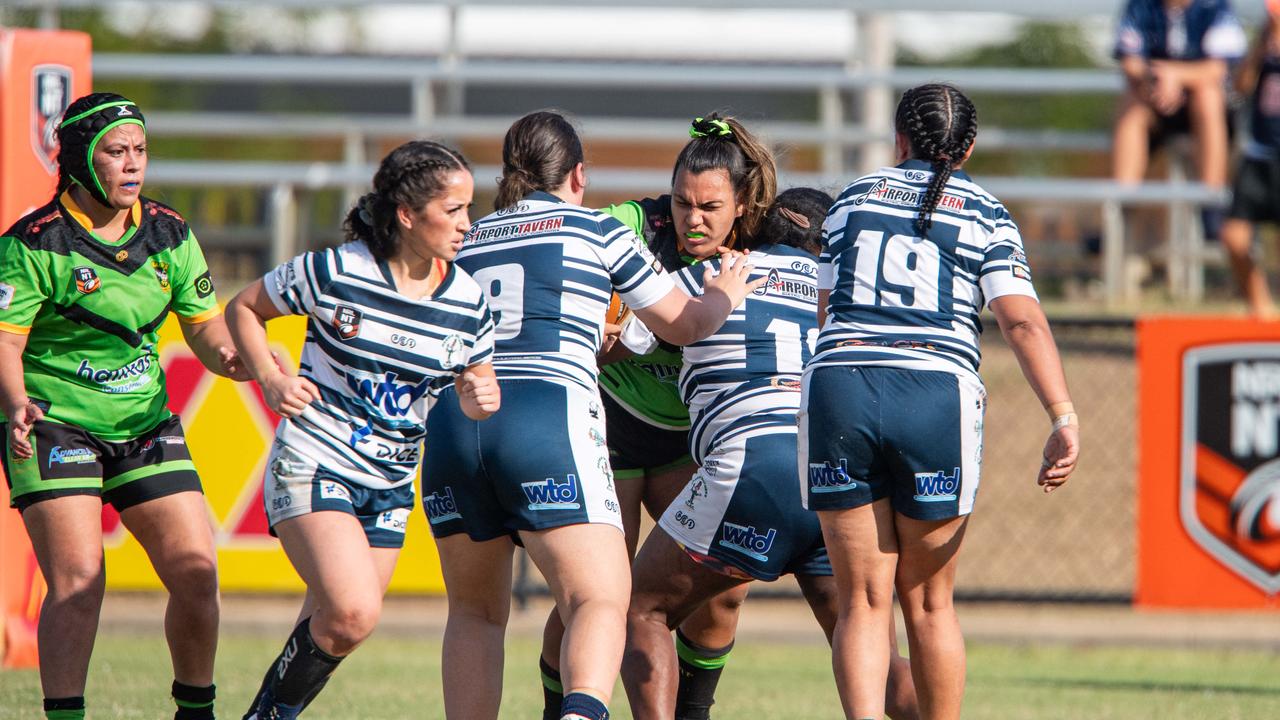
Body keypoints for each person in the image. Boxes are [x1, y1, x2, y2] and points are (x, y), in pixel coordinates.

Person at [421, 110, 762, 720]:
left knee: (474, 615)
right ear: (578, 174)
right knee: (602, 600)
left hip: (455, 425)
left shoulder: (464, 240)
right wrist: (723, 297)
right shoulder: (598, 229)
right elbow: (684, 324)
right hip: (545, 417)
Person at [802, 84, 1080, 720]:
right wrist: (1063, 416)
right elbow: (1022, 322)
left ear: (898, 140)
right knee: (927, 602)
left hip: (840, 385)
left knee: (863, 602)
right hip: (935, 393)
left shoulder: (849, 200)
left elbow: (825, 314)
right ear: (971, 148)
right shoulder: (985, 212)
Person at [619, 188, 919, 720]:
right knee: (869, 642)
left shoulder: (707, 278)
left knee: (639, 609)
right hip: (836, 473)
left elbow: (618, 342)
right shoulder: (843, 293)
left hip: (757, 461)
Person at [226, 140, 500, 720]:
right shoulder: (335, 271)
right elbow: (244, 309)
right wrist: (271, 380)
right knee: (353, 611)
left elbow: (478, 390)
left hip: (392, 483)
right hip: (315, 460)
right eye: (453, 211)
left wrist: (483, 399)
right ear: (407, 214)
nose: (466, 225)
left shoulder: (470, 301)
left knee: (338, 626)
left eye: (469, 209)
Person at [0, 92, 248, 720]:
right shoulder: (34, 243)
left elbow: (204, 325)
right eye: (116, 152)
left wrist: (234, 358)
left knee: (196, 573)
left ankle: (196, 711)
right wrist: (15, 402)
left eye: (140, 150)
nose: (133, 164)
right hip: (54, 424)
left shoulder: (168, 232)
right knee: (80, 582)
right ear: (83, 159)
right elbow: (5, 341)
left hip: (144, 425)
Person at [539, 112, 776, 720]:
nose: (692, 219)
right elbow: (565, 241)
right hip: (611, 427)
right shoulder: (630, 227)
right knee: (592, 596)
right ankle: (555, 708)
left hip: (685, 443)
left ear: (743, 205)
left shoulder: (763, 251)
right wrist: (593, 326)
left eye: (709, 207)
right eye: (680, 202)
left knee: (722, 596)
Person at [1111, 0, 1247, 242]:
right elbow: (1130, 63)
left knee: (1208, 97)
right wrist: (1159, 80)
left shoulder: (1215, 6)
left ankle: (1211, 206)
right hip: (1154, 102)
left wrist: (1175, 76)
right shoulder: (1140, 6)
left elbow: (1218, 69)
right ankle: (1120, 212)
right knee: (1132, 105)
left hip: (1203, 110)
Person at [1220, 2, 1280, 318]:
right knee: (1234, 237)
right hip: (1259, 155)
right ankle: (1260, 308)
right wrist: (1262, 44)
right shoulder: (1264, 44)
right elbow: (1240, 87)